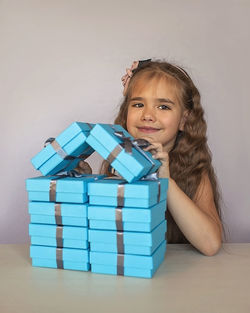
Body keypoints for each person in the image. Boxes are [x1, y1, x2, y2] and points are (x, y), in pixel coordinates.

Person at [78, 59, 223, 256]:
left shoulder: (194, 170)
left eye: (163, 107)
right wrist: (85, 187)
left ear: (184, 119)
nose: (147, 115)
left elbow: (211, 244)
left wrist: (166, 180)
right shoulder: (117, 164)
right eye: (138, 104)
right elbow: (102, 233)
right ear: (126, 112)